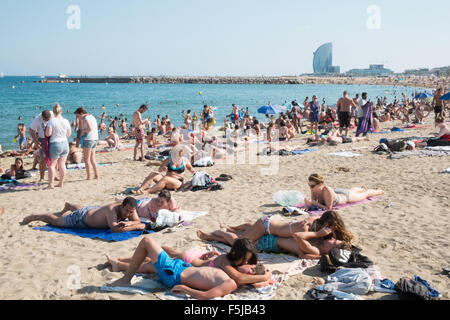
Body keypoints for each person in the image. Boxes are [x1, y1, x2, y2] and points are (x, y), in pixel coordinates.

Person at [107, 237, 271, 299]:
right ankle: (119, 264)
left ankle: (125, 279)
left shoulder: (233, 279)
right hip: (183, 267)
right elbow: (244, 278)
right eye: (246, 261)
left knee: (147, 242)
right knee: (151, 263)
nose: (246, 264)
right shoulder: (228, 264)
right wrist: (265, 277)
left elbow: (243, 279)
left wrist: (265, 278)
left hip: (177, 273)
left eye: (249, 265)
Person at [197, 211, 353, 259]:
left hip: (273, 224)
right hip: (267, 225)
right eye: (331, 230)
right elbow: (300, 238)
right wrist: (317, 235)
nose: (332, 235)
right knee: (240, 242)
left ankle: (228, 229)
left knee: (248, 232)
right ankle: (218, 234)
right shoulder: (308, 229)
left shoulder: (316, 226)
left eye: (333, 232)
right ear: (324, 225)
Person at [21, 197, 145, 233]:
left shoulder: (130, 209)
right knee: (57, 222)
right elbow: (114, 229)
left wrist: (130, 222)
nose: (128, 214)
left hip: (93, 211)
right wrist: (136, 226)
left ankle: (70, 206)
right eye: (127, 211)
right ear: (122, 205)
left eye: (131, 212)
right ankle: (36, 216)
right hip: (81, 218)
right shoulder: (111, 209)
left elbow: (138, 221)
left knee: (84, 209)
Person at [303, 174, 384, 211]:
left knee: (365, 194)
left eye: (312, 186)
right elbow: (313, 202)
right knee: (351, 191)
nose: (310, 188)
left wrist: (314, 203)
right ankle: (360, 188)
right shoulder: (313, 189)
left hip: (345, 197)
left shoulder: (327, 190)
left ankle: (379, 190)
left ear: (320, 184)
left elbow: (328, 208)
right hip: (337, 192)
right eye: (309, 185)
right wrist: (308, 206)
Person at [45, 103, 71, 189]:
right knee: (62, 164)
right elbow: (69, 134)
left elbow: (48, 133)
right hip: (65, 143)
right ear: (61, 111)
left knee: (52, 165)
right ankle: (61, 183)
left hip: (55, 143)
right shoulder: (66, 121)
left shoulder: (51, 121)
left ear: (53, 112)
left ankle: (51, 184)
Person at [75, 107, 99, 180]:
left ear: (82, 114)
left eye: (78, 116)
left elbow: (89, 128)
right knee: (92, 159)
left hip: (88, 139)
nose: (78, 118)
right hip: (95, 138)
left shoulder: (86, 118)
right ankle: (96, 175)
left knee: (87, 159)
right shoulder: (92, 117)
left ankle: (89, 176)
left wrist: (82, 132)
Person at [29, 110, 54, 182]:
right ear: (42, 117)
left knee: (54, 158)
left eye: (48, 120)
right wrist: (36, 141)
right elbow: (31, 130)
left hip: (52, 138)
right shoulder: (37, 119)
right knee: (42, 158)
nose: (47, 121)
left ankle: (54, 176)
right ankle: (42, 177)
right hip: (42, 138)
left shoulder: (52, 114)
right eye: (45, 120)